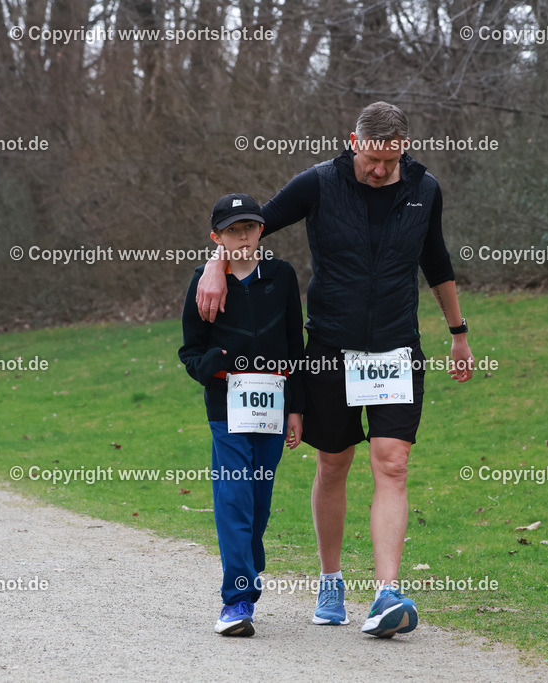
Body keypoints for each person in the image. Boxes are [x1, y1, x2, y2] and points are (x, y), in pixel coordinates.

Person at [195, 103, 474, 638]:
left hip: (395, 348)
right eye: (372, 158)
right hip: (329, 350)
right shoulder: (318, 183)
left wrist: (458, 333)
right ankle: (330, 579)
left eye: (390, 161)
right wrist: (214, 264)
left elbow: (435, 260)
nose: (379, 169)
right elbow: (253, 226)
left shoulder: (425, 188)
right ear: (353, 142)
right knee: (334, 463)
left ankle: (387, 591)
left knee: (392, 463)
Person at [179, 193, 305, 636]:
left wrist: (297, 409)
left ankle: (247, 581)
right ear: (217, 237)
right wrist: (217, 360)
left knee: (258, 503)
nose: (243, 236)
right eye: (232, 230)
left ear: (261, 231)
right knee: (233, 500)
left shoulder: (283, 276)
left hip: (273, 410)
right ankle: (236, 601)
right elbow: (190, 353)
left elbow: (296, 348)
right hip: (226, 412)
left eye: (249, 227)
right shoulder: (203, 281)